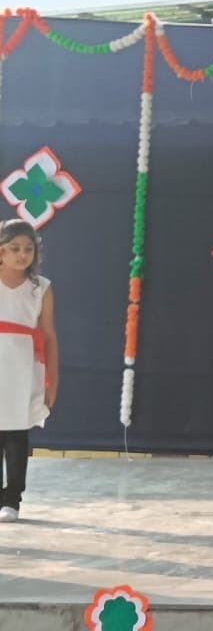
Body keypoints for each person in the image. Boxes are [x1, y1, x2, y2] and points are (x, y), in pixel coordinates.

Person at [0, 222, 57, 524]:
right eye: (14, 248)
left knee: (16, 434)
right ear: (1, 251)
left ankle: (12, 499)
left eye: (28, 249)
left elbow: (48, 336)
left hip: (23, 369)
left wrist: (52, 382)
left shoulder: (41, 288)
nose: (22, 255)